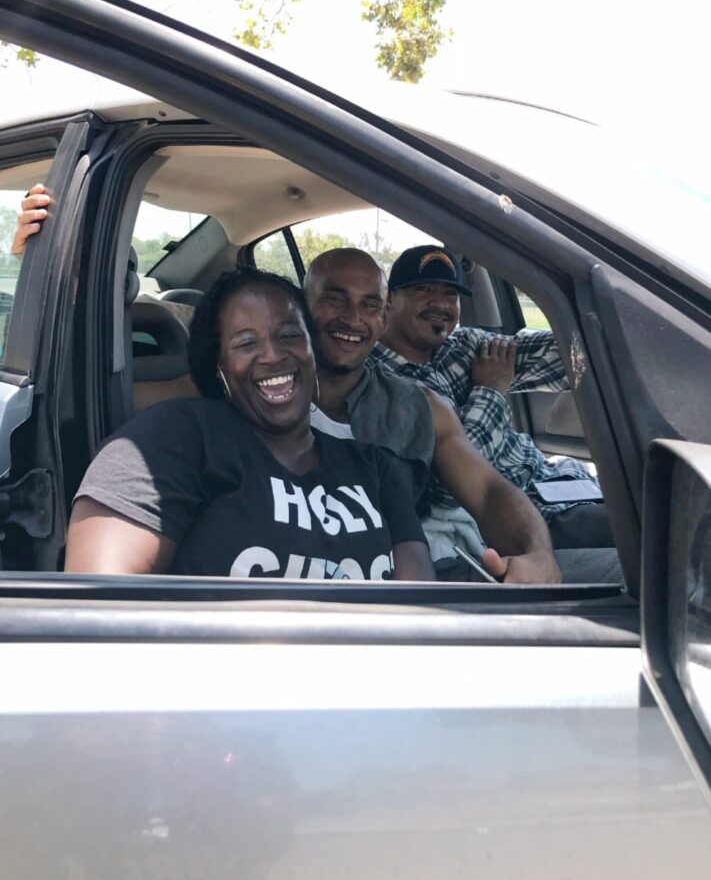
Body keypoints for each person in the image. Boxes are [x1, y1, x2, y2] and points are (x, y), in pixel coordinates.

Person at [17, 186, 560, 583]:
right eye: (333, 299)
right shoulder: (201, 413)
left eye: (369, 304)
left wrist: (539, 553)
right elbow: (74, 391)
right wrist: (50, 274)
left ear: (385, 314)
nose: (352, 318)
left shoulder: (408, 423)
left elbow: (488, 492)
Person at [66, 267, 435, 580]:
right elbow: (97, 610)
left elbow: (419, 612)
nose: (273, 355)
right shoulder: (174, 438)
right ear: (218, 366)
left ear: (312, 349)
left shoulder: (375, 468)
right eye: (246, 343)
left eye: (289, 335)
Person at [372, 244, 615, 551]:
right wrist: (491, 391)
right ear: (390, 299)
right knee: (659, 534)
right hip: (522, 518)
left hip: (556, 481)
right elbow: (452, 490)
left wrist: (603, 323)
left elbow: (565, 357)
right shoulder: (381, 384)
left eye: (451, 294)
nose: (441, 304)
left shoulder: (463, 344)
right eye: (423, 289)